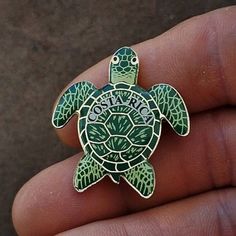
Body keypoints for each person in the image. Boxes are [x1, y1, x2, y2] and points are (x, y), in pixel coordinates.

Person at [12, 6, 236, 236]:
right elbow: (176, 117)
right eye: (125, 61)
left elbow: (73, 101)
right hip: (136, 154)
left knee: (81, 176)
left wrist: (61, 117)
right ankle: (125, 170)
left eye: (122, 61)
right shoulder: (156, 95)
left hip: (98, 152)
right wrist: (179, 124)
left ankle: (96, 166)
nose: (124, 61)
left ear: (115, 70)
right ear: (132, 70)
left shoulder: (92, 93)